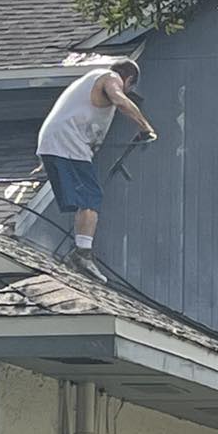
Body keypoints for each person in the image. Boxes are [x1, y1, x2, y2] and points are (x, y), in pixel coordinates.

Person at [36, 58, 157, 282]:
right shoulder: (110, 78)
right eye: (129, 88)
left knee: (85, 198)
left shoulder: (88, 82)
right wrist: (145, 126)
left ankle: (80, 249)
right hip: (68, 144)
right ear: (129, 79)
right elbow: (120, 100)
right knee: (91, 197)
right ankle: (82, 254)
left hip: (57, 144)